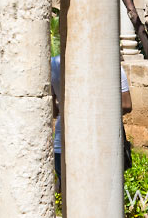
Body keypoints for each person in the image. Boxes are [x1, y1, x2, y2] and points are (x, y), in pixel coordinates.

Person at [50, 55, 132, 193]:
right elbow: (126, 105)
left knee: (70, 197)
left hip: (63, 143)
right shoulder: (109, 64)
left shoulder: (54, 64)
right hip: (100, 144)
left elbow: (53, 110)